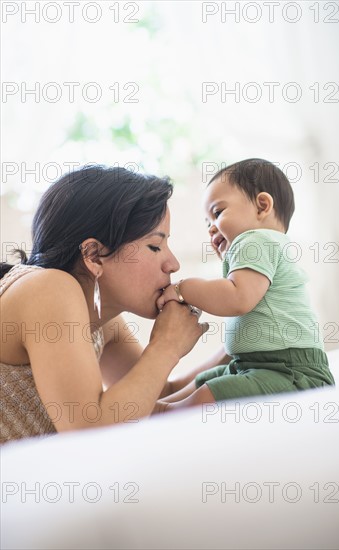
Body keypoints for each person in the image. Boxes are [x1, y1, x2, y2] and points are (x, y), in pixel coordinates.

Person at [0, 165, 208, 444]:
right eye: (155, 247)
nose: (173, 264)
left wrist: (241, 348)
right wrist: (167, 346)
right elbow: (89, 431)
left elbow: (154, 396)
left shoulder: (100, 316)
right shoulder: (48, 288)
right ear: (94, 255)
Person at [155, 158, 335, 411]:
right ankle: (157, 406)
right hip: (258, 364)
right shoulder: (261, 245)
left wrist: (184, 288)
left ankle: (161, 411)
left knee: (208, 392)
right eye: (207, 223)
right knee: (208, 379)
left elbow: (238, 299)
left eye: (217, 213)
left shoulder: (255, 240)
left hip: (292, 373)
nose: (210, 229)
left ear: (262, 206)